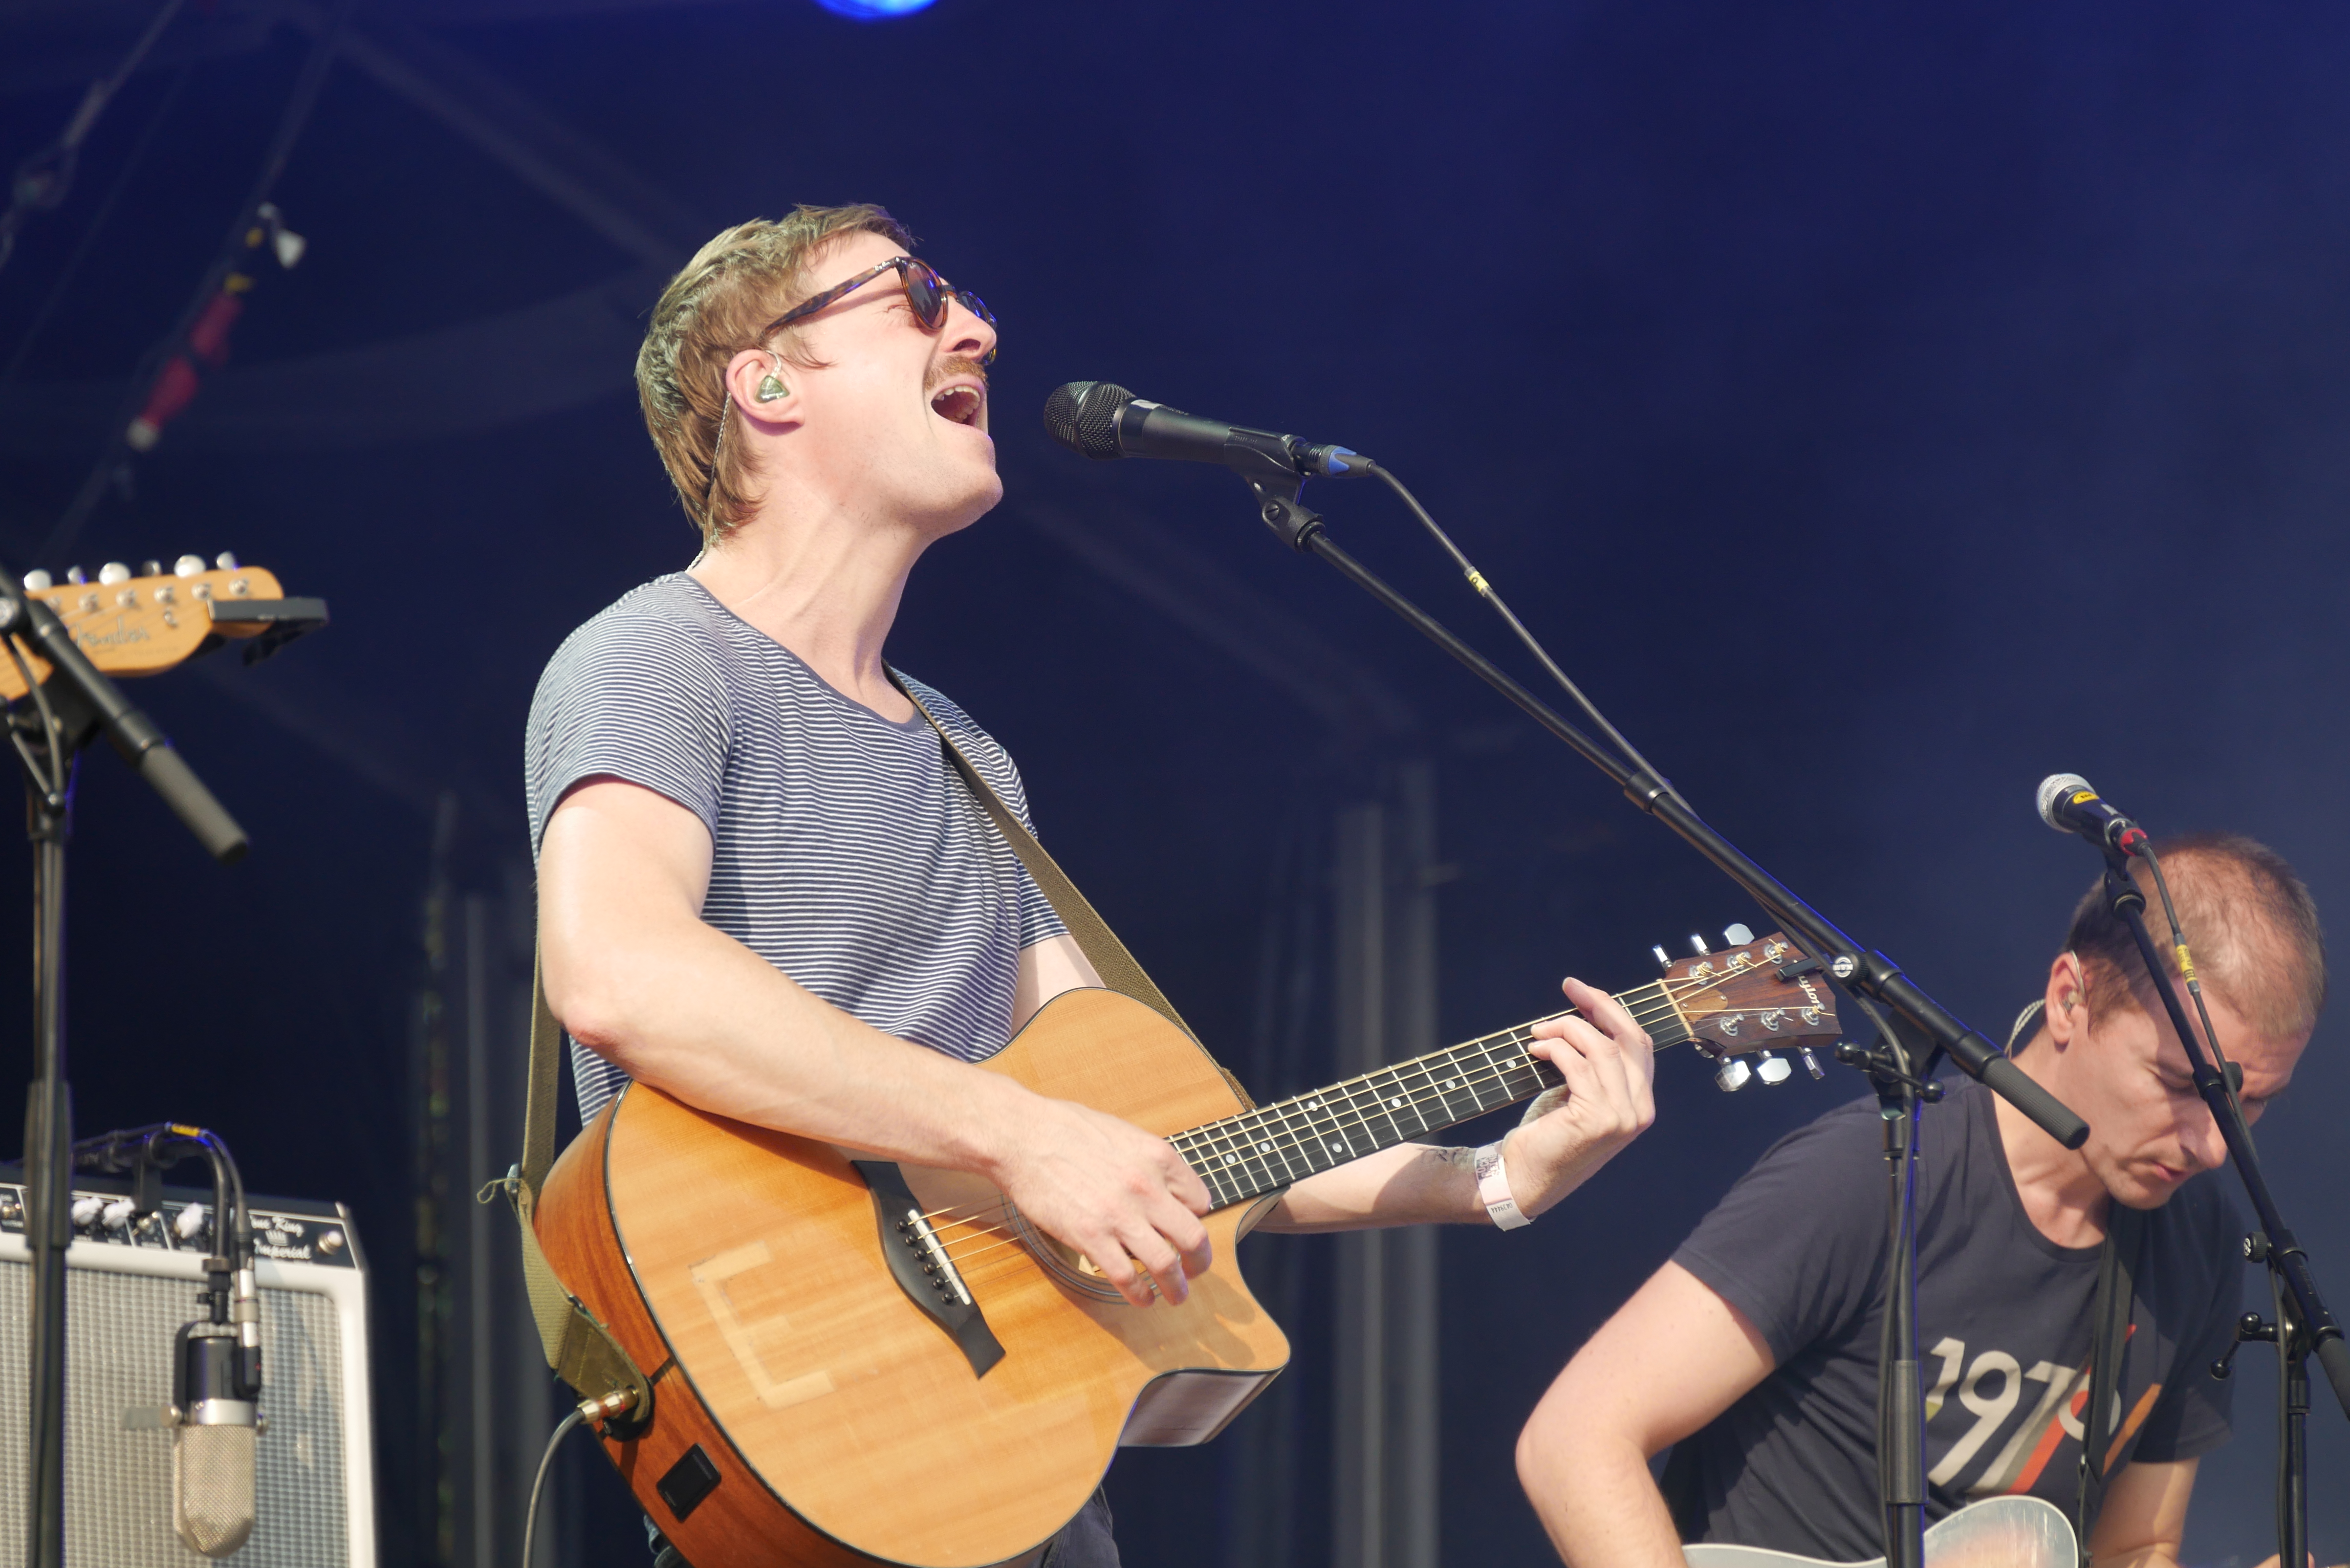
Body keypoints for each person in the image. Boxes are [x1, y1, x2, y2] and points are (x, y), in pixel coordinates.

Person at [527, 203, 1661, 1565]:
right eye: (918, 295)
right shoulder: (659, 656)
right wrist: (1016, 1134)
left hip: (1021, 1472)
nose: (978, 330)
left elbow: (1154, 1136)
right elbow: (620, 973)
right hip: (812, 1435)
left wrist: (1487, 1178)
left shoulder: (968, 754)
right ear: (768, 384)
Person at [1516, 834, 2323, 1567]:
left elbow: (2134, 1549)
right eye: (2181, 1084)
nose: (2213, 1147)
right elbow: (1576, 1439)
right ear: (2069, 1000)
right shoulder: (1869, 1174)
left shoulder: (2200, 1240)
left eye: (2250, 1105)